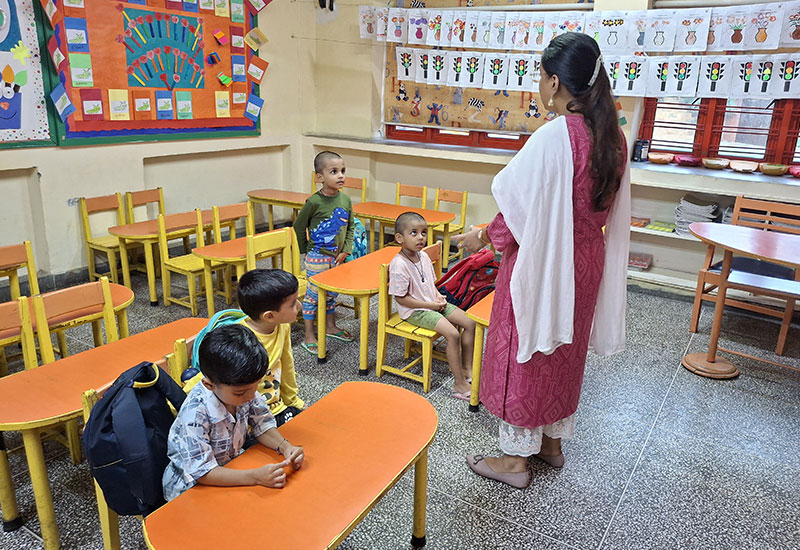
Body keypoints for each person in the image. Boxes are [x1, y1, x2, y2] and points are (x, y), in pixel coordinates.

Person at [453, 32, 630, 489]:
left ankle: (514, 461)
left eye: (540, 76)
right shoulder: (613, 137)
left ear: (554, 82)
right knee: (563, 349)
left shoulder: (555, 135)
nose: (539, 84)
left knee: (526, 346)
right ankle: (551, 444)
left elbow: (520, 212)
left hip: (543, 259)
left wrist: (481, 237)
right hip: (585, 262)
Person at [162, 324, 304, 501]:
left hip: (232, 466)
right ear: (209, 385)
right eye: (240, 393)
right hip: (191, 487)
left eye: (254, 388)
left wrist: (285, 447)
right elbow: (203, 472)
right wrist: (255, 477)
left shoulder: (243, 388)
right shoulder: (194, 414)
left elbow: (262, 424)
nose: (251, 396)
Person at [389, 212, 476, 400]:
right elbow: (401, 299)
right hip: (415, 311)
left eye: (423, 232)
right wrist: (430, 304)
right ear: (399, 238)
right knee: (452, 334)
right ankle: (459, 384)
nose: (421, 237)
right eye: (414, 233)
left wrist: (438, 297)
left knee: (470, 323)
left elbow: (431, 284)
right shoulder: (398, 265)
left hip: (432, 304)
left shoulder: (424, 257)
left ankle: (467, 369)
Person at [293, 151, 356, 355]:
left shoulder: (345, 200)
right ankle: (308, 335)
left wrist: (345, 250)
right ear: (319, 177)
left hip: (337, 257)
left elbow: (351, 226)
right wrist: (306, 251)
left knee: (330, 294)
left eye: (343, 171)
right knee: (313, 296)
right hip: (317, 257)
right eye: (334, 171)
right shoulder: (314, 202)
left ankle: (330, 327)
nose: (341, 175)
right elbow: (298, 226)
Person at [237, 268, 306, 426]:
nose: (299, 305)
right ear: (269, 316)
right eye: (293, 304)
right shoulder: (240, 339)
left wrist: (293, 401)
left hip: (275, 408)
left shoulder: (282, 326)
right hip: (249, 417)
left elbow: (287, 365)